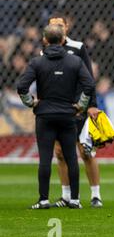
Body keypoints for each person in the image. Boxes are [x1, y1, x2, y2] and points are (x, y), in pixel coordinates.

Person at [17, 24, 95, 209]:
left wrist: (31, 102)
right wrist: (81, 105)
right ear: (62, 40)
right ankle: (74, 200)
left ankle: (43, 200)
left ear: (45, 40)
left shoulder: (37, 62)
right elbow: (89, 85)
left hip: (44, 115)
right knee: (71, 157)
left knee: (45, 158)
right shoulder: (74, 62)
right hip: (68, 115)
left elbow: (21, 86)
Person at [47, 14, 103, 208]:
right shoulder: (44, 50)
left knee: (86, 152)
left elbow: (88, 77)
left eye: (59, 25)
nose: (56, 28)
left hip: (78, 107)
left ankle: (96, 195)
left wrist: (91, 104)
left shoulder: (78, 48)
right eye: (53, 25)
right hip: (56, 108)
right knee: (60, 152)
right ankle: (66, 195)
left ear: (67, 27)